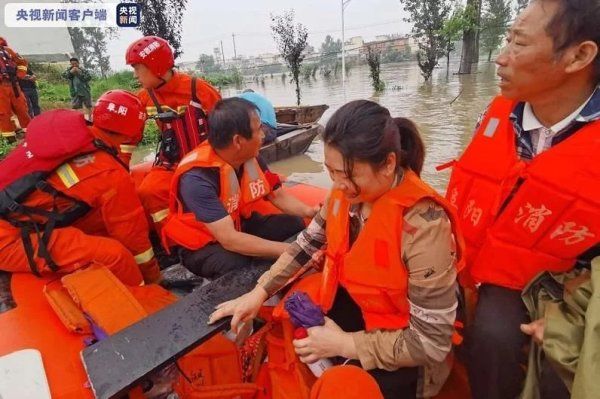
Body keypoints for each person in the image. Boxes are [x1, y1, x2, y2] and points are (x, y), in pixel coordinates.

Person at [210, 100, 464, 398]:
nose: (339, 186)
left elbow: (431, 342)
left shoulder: (423, 225)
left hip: (408, 353)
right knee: (291, 322)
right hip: (363, 313)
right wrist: (259, 292)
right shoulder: (343, 195)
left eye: (348, 175)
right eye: (331, 173)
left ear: (389, 164)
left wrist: (344, 344)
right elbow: (306, 245)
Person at [441, 1, 600, 398]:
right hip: (504, 268)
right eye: (507, 39)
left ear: (579, 55)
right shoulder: (494, 117)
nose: (501, 58)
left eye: (518, 43)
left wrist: (576, 317)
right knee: (490, 335)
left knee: (561, 363)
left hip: (580, 278)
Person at [0, 90, 161, 285]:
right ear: (134, 134)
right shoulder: (108, 173)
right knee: (116, 255)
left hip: (16, 216)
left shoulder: (71, 134)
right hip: (9, 239)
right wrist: (153, 277)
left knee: (101, 224)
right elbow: (133, 237)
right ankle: (146, 300)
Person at [162, 97, 319, 280]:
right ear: (238, 141)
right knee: (235, 263)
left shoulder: (250, 156)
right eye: (259, 129)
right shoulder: (197, 179)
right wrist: (290, 250)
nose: (264, 134)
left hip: (238, 224)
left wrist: (311, 211)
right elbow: (229, 239)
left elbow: (278, 196)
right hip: (200, 244)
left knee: (293, 223)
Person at [125, 36, 221, 235]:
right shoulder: (144, 97)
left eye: (137, 69)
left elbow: (228, 129)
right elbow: (128, 138)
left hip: (207, 162)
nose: (135, 76)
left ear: (156, 67)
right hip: (172, 162)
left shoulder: (199, 90)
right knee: (148, 192)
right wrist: (119, 169)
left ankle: (210, 229)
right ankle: (174, 237)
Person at [0, 36, 30, 141]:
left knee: (22, 108)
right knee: (3, 112)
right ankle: (9, 138)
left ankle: (29, 132)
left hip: (14, 85)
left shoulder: (7, 51)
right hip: (1, 87)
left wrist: (19, 74)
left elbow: (22, 62)